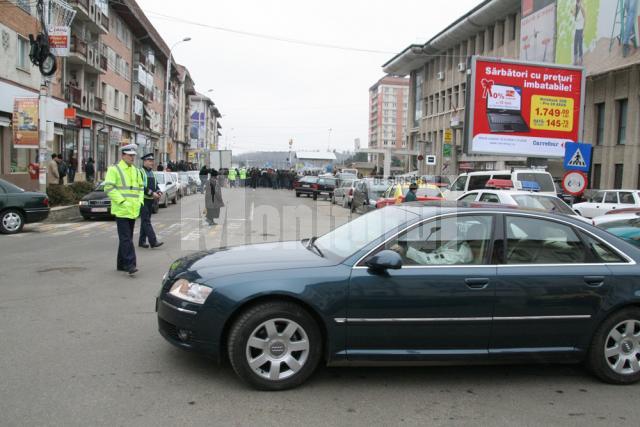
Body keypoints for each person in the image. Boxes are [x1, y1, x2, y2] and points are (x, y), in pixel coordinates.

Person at [104, 144, 144, 276]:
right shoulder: (114, 169)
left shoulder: (136, 171)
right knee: (126, 238)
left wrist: (140, 201)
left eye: (134, 155)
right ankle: (130, 264)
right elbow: (108, 188)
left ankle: (121, 264)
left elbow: (140, 189)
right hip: (121, 209)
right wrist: (122, 201)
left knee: (126, 238)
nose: (132, 158)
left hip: (133, 210)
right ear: (123, 155)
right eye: (130, 155)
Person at [138, 153, 163, 249]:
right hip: (142, 199)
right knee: (146, 221)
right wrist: (152, 193)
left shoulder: (152, 173)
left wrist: (159, 191)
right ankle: (153, 241)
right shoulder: (140, 172)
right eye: (149, 161)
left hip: (150, 200)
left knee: (145, 221)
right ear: (144, 161)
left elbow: (156, 185)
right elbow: (141, 186)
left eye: (152, 161)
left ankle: (141, 241)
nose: (151, 163)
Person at [573, 0, 586, 65]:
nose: (577, 3)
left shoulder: (582, 8)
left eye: (578, 2)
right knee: (575, 45)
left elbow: (585, 19)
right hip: (576, 30)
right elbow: (575, 17)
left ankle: (580, 59)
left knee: (580, 45)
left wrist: (583, 31)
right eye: (577, 2)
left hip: (581, 30)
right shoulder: (576, 9)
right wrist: (572, 12)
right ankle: (575, 60)